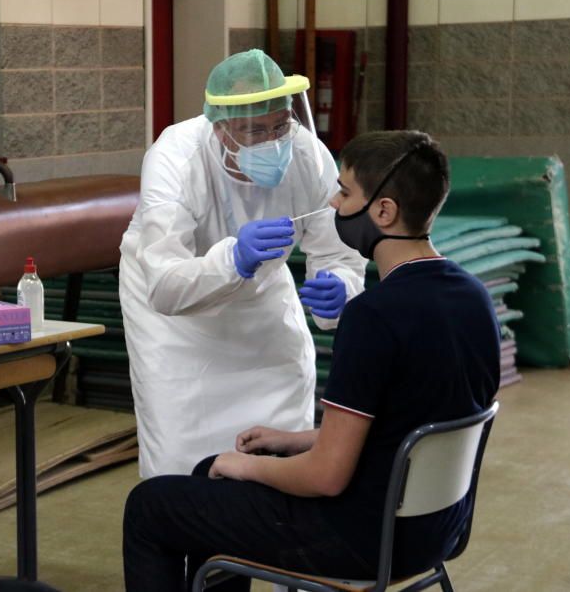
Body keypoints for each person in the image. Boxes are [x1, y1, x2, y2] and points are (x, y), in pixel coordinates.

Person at [122, 130, 501, 592]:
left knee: (153, 504)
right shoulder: (475, 298)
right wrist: (291, 439)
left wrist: (242, 466)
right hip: (436, 533)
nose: (334, 205)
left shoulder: (373, 316)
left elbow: (325, 476)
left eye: (344, 192)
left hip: (358, 538)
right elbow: (409, 426)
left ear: (383, 211)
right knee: (214, 484)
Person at [119, 49, 367, 478]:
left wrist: (341, 287)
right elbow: (165, 285)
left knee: (284, 437)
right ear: (220, 128)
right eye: (253, 130)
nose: (272, 142)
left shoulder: (305, 153)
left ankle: (270, 539)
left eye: (279, 125)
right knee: (181, 457)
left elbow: (337, 248)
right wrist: (232, 259)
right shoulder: (175, 158)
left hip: (262, 300)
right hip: (177, 323)